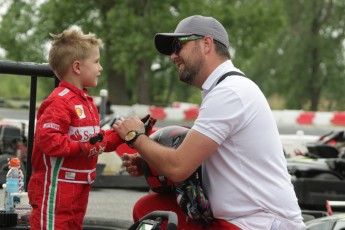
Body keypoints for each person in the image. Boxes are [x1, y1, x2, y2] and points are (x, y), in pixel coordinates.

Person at [113, 15, 305, 230]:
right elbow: (199, 165)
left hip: (258, 223)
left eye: (178, 45)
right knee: (150, 208)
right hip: (243, 219)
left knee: (155, 217)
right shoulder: (223, 88)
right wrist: (149, 163)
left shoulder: (230, 92)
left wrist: (136, 137)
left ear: (206, 44)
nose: (173, 56)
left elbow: (178, 167)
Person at [28, 26, 124, 230]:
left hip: (79, 189)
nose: (101, 68)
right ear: (77, 67)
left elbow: (95, 141)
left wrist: (124, 135)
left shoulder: (87, 102)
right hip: (55, 189)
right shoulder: (59, 102)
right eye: (97, 61)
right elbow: (49, 141)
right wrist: (83, 147)